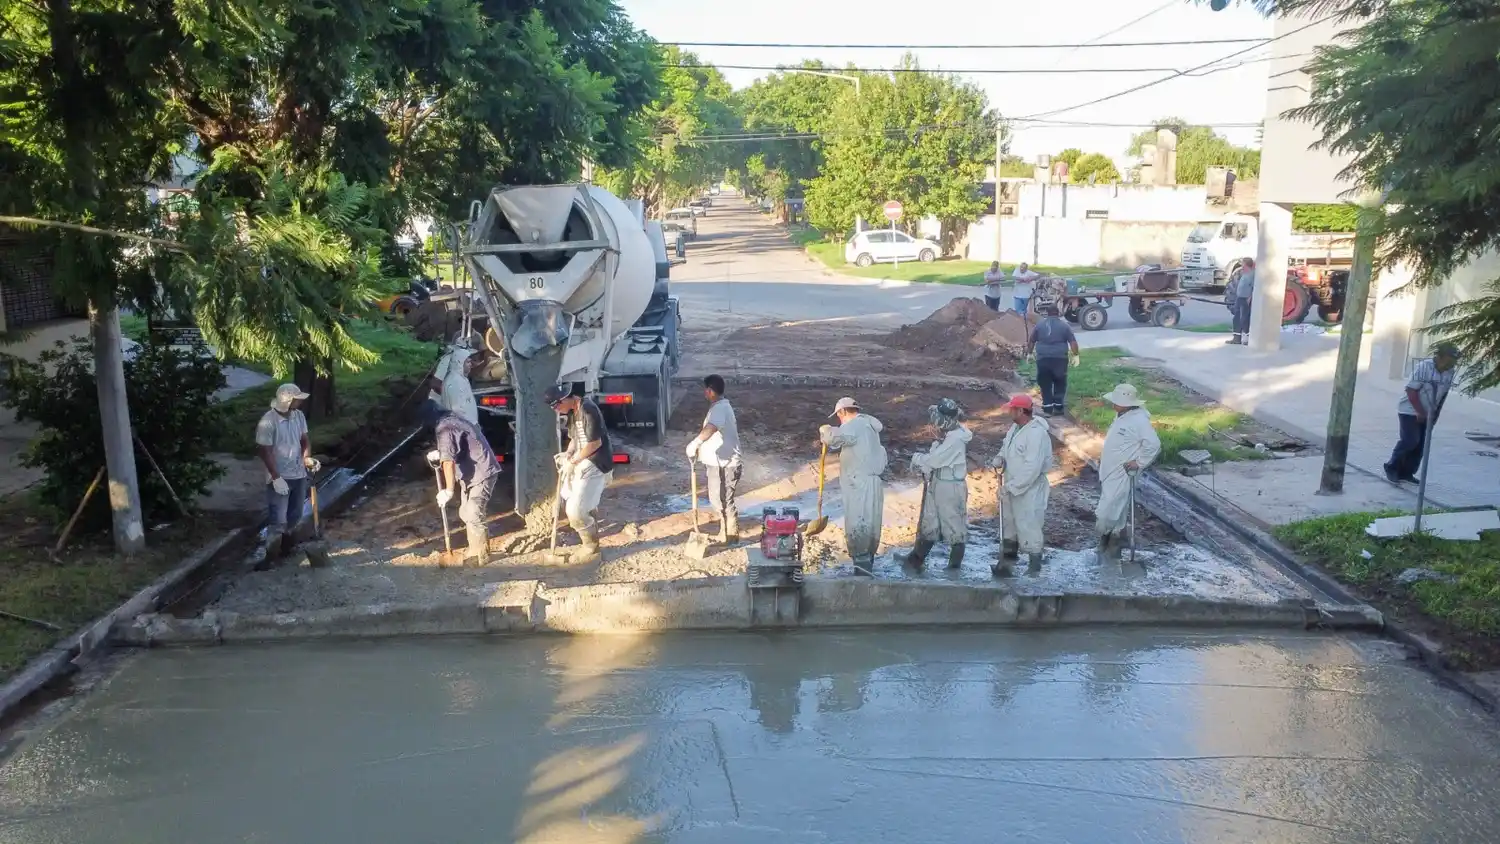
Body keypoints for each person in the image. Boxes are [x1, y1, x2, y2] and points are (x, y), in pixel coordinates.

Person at [422, 399, 499, 566]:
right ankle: (474, 549)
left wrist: (449, 490)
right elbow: (451, 450)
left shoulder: (445, 428)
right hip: (471, 472)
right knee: (465, 512)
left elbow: (448, 462)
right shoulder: (451, 420)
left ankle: (481, 556)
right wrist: (440, 453)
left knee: (473, 512)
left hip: (481, 471)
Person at [545, 384, 614, 562]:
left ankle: (591, 548)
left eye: (556, 406)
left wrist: (573, 462)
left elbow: (594, 444)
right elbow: (575, 439)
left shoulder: (588, 410)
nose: (556, 411)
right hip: (583, 461)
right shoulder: (572, 412)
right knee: (577, 501)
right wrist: (568, 454)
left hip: (596, 462)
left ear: (564, 399)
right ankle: (591, 539)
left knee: (575, 511)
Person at [819, 397, 888, 576]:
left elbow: (834, 438)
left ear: (842, 412)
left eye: (838, 416)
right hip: (873, 482)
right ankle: (867, 566)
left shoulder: (854, 426)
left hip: (859, 484)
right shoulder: (868, 426)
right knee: (871, 524)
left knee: (859, 524)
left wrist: (825, 430)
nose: (839, 420)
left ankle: (862, 576)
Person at [1094, 383, 1161, 562]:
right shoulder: (1122, 415)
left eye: (1117, 401)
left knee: (1106, 510)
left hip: (1124, 472)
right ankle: (1113, 542)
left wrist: (1139, 462)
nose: (1113, 404)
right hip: (1111, 470)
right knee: (1118, 507)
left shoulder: (1139, 421)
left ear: (1127, 403)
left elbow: (1153, 445)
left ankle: (1103, 537)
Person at [906, 398, 973, 569]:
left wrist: (918, 459)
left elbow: (935, 460)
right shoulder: (949, 435)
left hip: (950, 487)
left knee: (954, 526)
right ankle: (916, 559)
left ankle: (954, 567)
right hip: (939, 482)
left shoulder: (955, 439)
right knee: (930, 521)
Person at [989, 394, 1052, 576]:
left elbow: (1032, 468)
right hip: (1011, 482)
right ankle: (1007, 562)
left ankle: (1034, 566)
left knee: (1028, 523)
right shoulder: (1015, 428)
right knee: (1009, 522)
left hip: (1030, 487)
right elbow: (1007, 446)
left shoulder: (1036, 434)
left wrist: (1012, 486)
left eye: (1012, 409)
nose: (1009, 411)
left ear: (1021, 411)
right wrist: (1000, 457)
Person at [255, 383, 318, 556]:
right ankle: (271, 553)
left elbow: (304, 440)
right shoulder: (268, 422)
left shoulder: (298, 416)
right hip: (280, 476)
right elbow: (264, 450)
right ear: (287, 400)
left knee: (295, 513)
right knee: (278, 518)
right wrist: (275, 477)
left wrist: (307, 458)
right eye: (296, 399)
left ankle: (287, 548)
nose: (299, 402)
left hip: (298, 473)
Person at [1385, 343, 1460, 484]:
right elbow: (1411, 391)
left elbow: (1443, 395)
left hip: (1429, 412)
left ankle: (1407, 473)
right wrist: (1419, 411)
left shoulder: (1450, 372)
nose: (1451, 364)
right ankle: (1392, 467)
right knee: (1411, 440)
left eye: (1454, 361)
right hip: (1410, 410)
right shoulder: (1424, 367)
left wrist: (1435, 415)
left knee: (1421, 445)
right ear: (1439, 357)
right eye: (1449, 360)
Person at [686, 374, 742, 543]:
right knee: (720, 499)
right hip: (721, 462)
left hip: (725, 464)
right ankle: (726, 533)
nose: (705, 393)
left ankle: (730, 535)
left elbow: (711, 428)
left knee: (723, 500)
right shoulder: (721, 406)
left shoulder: (720, 409)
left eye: (706, 390)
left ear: (710, 391)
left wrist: (696, 442)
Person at [1027, 304, 1081, 417]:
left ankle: (1047, 409)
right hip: (1060, 359)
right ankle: (1059, 407)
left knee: (1045, 383)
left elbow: (1032, 340)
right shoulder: (1064, 326)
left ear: (1047, 313)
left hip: (1043, 359)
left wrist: (1029, 353)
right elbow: (1073, 342)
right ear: (1058, 313)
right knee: (1060, 382)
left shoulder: (1040, 325)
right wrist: (1075, 355)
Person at [431, 343, 479, 424]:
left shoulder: (461, 376)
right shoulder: (447, 361)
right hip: (439, 406)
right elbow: (435, 383)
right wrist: (450, 396)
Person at [1225, 257, 1257, 345]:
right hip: (1239, 298)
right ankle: (1236, 338)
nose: (1241, 265)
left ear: (1246, 264)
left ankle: (1248, 338)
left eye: (1243, 264)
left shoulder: (1253, 274)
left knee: (1245, 319)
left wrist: (1250, 298)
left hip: (1245, 299)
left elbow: (1254, 287)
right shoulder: (1244, 273)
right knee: (1237, 318)